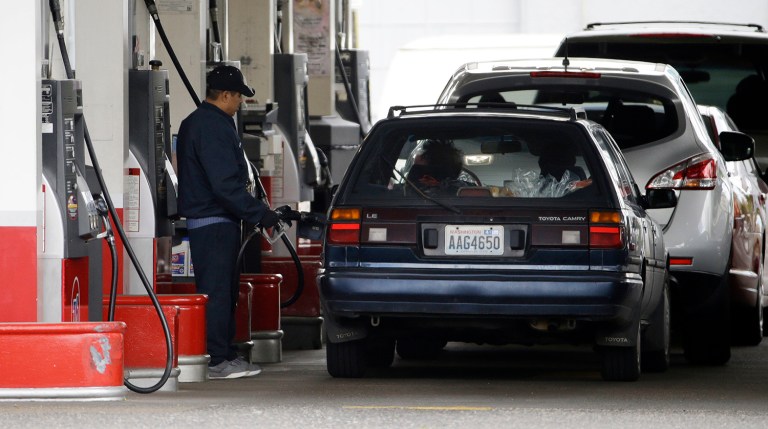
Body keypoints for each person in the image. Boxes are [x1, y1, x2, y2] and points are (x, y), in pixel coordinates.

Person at [176, 65, 281, 379]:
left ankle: (224, 354)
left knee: (222, 289)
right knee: (218, 291)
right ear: (225, 95)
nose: (241, 103)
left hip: (216, 220)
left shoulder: (204, 123)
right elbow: (224, 184)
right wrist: (258, 213)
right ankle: (217, 359)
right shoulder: (213, 127)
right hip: (214, 221)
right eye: (239, 97)